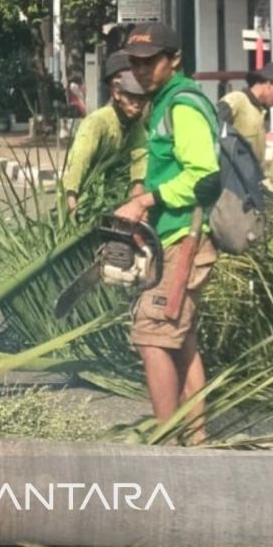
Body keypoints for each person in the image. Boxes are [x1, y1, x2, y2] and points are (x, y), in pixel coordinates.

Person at [113, 22, 221, 445]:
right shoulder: (162, 103)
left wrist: (145, 201)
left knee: (152, 335)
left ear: (174, 59)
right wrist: (142, 193)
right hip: (172, 236)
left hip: (185, 238)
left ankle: (165, 443)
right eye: (134, 62)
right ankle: (195, 440)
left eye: (149, 61)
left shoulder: (182, 105)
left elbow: (204, 178)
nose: (140, 70)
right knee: (182, 341)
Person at [63, 51, 148, 213]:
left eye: (141, 98)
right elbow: (80, 157)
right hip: (85, 196)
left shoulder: (135, 123)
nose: (137, 104)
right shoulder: (98, 121)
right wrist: (71, 194)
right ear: (115, 92)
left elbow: (140, 154)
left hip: (113, 196)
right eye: (131, 97)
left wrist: (138, 185)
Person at [217, 63, 273, 188]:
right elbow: (214, 128)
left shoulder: (260, 112)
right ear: (269, 85)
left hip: (251, 184)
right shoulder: (238, 100)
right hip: (232, 183)